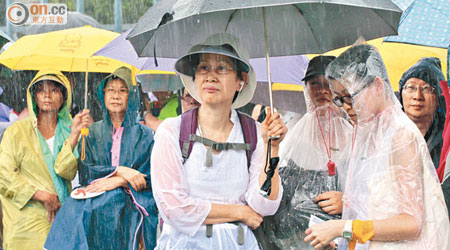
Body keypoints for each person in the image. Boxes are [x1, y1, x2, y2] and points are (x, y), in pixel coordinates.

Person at [304, 44, 450, 250]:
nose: (346, 106)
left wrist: (343, 228)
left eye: (349, 96)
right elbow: (373, 207)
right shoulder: (366, 130)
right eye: (339, 99)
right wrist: (341, 240)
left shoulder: (400, 135)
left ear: (378, 86)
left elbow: (411, 223)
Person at [150, 33, 287, 249]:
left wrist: (273, 149)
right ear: (195, 77)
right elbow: (173, 208)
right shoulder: (172, 131)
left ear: (241, 81)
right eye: (203, 68)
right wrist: (239, 212)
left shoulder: (255, 133)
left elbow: (262, 205)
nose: (211, 76)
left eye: (222, 68)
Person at [44, 67, 158, 250]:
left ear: (132, 96)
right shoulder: (92, 132)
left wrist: (120, 181)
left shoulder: (145, 135)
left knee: (114, 205)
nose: (115, 96)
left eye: (122, 90)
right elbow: (86, 172)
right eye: (111, 90)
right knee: (73, 209)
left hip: (129, 205)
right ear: (103, 95)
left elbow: (149, 178)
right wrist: (119, 171)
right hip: (97, 202)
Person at [260, 56, 352, 250]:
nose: (322, 90)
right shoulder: (294, 134)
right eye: (314, 83)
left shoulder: (357, 135)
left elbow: (373, 193)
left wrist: (348, 203)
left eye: (328, 83)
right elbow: (276, 195)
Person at [0, 70, 89, 250]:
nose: (47, 95)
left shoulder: (70, 130)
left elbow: (66, 172)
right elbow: (4, 175)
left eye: (54, 90)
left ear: (64, 97)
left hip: (60, 219)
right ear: (34, 96)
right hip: (24, 225)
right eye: (41, 90)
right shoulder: (16, 132)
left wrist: (73, 137)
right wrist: (40, 194)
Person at [398, 57, 446, 170]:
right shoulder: (387, 133)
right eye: (411, 87)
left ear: (438, 97)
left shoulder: (446, 139)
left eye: (427, 88)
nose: (418, 96)